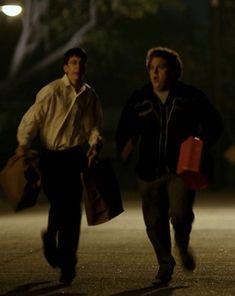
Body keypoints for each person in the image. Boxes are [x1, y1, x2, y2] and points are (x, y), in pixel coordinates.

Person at [116, 46, 223, 284]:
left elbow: (214, 123)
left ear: (173, 71)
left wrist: (200, 145)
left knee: (180, 214)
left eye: (161, 67)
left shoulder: (191, 96)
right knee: (154, 221)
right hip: (148, 170)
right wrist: (124, 151)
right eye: (151, 68)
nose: (155, 73)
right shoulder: (139, 98)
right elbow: (125, 130)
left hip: (181, 170)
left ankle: (182, 245)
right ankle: (165, 264)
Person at [15, 47, 103, 285]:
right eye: (73, 63)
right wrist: (24, 143)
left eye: (81, 63)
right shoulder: (51, 91)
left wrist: (95, 142)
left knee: (72, 211)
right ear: (65, 67)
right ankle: (51, 240)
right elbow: (32, 118)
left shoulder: (88, 95)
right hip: (51, 157)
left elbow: (91, 125)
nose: (77, 67)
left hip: (74, 157)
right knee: (60, 205)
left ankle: (67, 262)